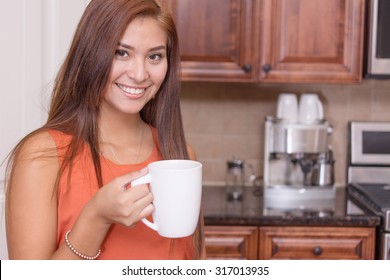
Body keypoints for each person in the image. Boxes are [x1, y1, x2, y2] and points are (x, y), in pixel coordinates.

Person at [5, 0, 205, 260]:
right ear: (90, 55)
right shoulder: (42, 156)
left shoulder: (180, 156)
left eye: (154, 56)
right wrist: (96, 217)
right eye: (122, 53)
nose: (139, 73)